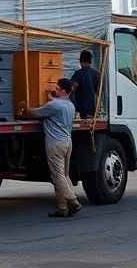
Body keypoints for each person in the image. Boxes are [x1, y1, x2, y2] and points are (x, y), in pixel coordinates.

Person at [28, 78, 82, 218]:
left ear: (64, 90)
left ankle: (73, 201)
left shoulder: (54, 105)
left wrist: (25, 107)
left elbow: (35, 113)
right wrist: (52, 99)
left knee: (57, 176)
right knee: (64, 175)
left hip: (54, 143)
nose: (55, 90)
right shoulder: (70, 105)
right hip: (67, 142)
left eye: (57, 88)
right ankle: (62, 208)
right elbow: (55, 105)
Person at [71, 50, 100, 119]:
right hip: (92, 108)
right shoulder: (96, 74)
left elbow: (72, 88)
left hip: (81, 109)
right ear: (91, 61)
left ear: (81, 61)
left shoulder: (78, 73)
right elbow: (98, 91)